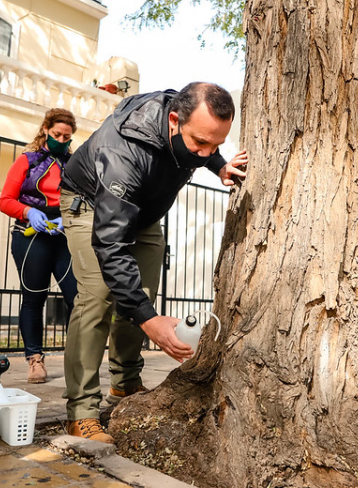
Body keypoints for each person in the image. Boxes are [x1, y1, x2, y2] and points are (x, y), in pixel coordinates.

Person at [59, 83, 247, 444]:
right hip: (91, 204)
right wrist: (150, 321)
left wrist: (220, 167)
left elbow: (204, 144)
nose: (206, 152)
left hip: (143, 213)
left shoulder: (189, 124)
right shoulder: (123, 152)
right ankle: (80, 410)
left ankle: (126, 383)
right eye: (200, 144)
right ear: (173, 122)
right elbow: (110, 244)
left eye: (216, 145)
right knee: (99, 296)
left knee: (139, 294)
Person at [0, 108, 78, 384]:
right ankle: (35, 361)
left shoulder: (75, 163)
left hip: (63, 238)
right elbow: (5, 200)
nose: (61, 140)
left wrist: (70, 221)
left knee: (77, 299)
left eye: (67, 136)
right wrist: (29, 212)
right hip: (30, 237)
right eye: (57, 134)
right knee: (34, 299)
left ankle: (77, 360)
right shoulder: (27, 161)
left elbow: (85, 198)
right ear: (45, 129)